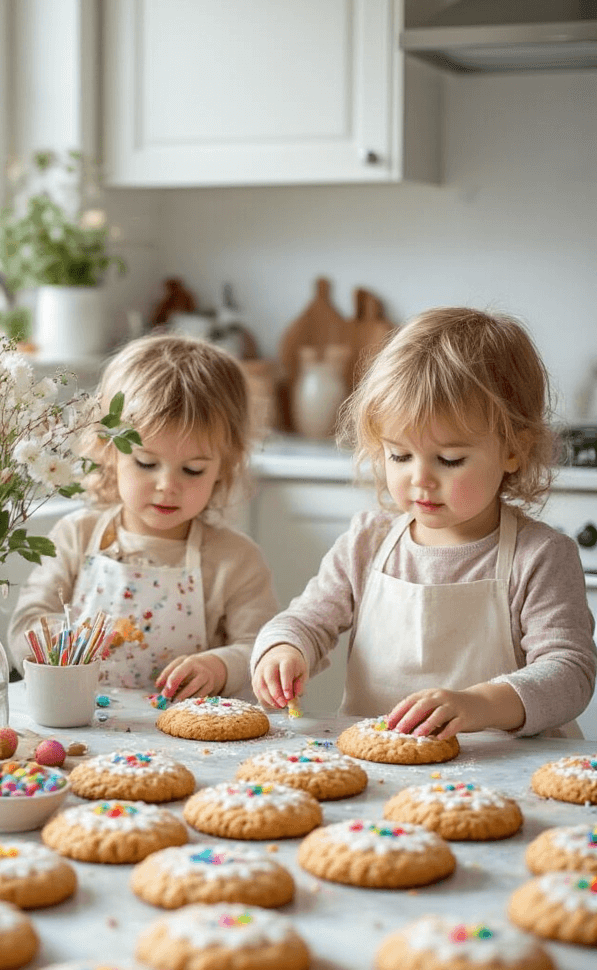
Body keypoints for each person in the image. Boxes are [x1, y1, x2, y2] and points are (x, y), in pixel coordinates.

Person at [252, 306, 596, 740]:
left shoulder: (541, 557)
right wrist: (283, 650)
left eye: (449, 459)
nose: (420, 479)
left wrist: (479, 705)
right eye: (399, 455)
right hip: (382, 771)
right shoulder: (367, 542)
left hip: (508, 775)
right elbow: (305, 620)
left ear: (514, 450)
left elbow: (570, 674)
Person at [8, 334, 277, 699]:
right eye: (147, 463)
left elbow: (261, 651)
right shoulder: (77, 536)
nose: (168, 485)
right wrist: (69, 640)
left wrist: (220, 666)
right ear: (109, 452)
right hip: (82, 725)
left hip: (187, 738)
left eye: (193, 470)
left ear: (223, 468)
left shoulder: (235, 560)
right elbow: (23, 630)